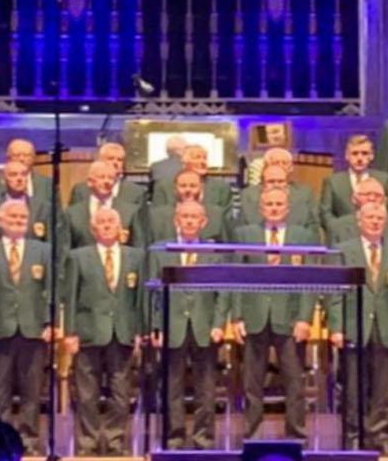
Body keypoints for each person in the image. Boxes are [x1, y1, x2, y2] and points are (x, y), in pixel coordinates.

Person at [230, 186, 318, 440]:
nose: (274, 208)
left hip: (290, 317)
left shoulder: (303, 236)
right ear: (261, 208)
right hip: (254, 316)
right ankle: (252, 434)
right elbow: (236, 277)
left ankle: (296, 435)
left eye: (279, 204)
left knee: (294, 382)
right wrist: (236, 317)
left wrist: (304, 318)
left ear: (288, 208)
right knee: (252, 383)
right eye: (269, 204)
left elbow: (309, 280)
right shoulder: (245, 235)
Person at [0, 200, 52, 454]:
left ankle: (29, 439)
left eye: (22, 217)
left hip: (33, 328)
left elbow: (51, 290)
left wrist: (50, 323)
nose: (18, 221)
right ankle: (0, 439)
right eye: (12, 217)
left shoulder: (43, 250)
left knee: (31, 390)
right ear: (0, 221)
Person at [59, 206, 145, 457]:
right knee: (87, 393)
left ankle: (115, 440)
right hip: (88, 332)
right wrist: (70, 332)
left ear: (120, 228)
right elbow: (70, 297)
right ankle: (88, 441)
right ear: (93, 228)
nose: (107, 225)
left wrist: (139, 331)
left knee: (121, 393)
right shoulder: (78, 257)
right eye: (102, 222)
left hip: (123, 332)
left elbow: (140, 299)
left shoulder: (136, 257)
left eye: (111, 222)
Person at [151, 201, 226, 450]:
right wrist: (156, 327)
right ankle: (174, 438)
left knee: (206, 388)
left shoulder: (214, 253)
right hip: (172, 327)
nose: (190, 221)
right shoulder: (162, 251)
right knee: (172, 387)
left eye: (195, 217)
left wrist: (218, 323)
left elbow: (223, 293)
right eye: (185, 216)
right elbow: (154, 294)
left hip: (205, 328)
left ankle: (203, 439)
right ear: (177, 220)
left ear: (204, 222)